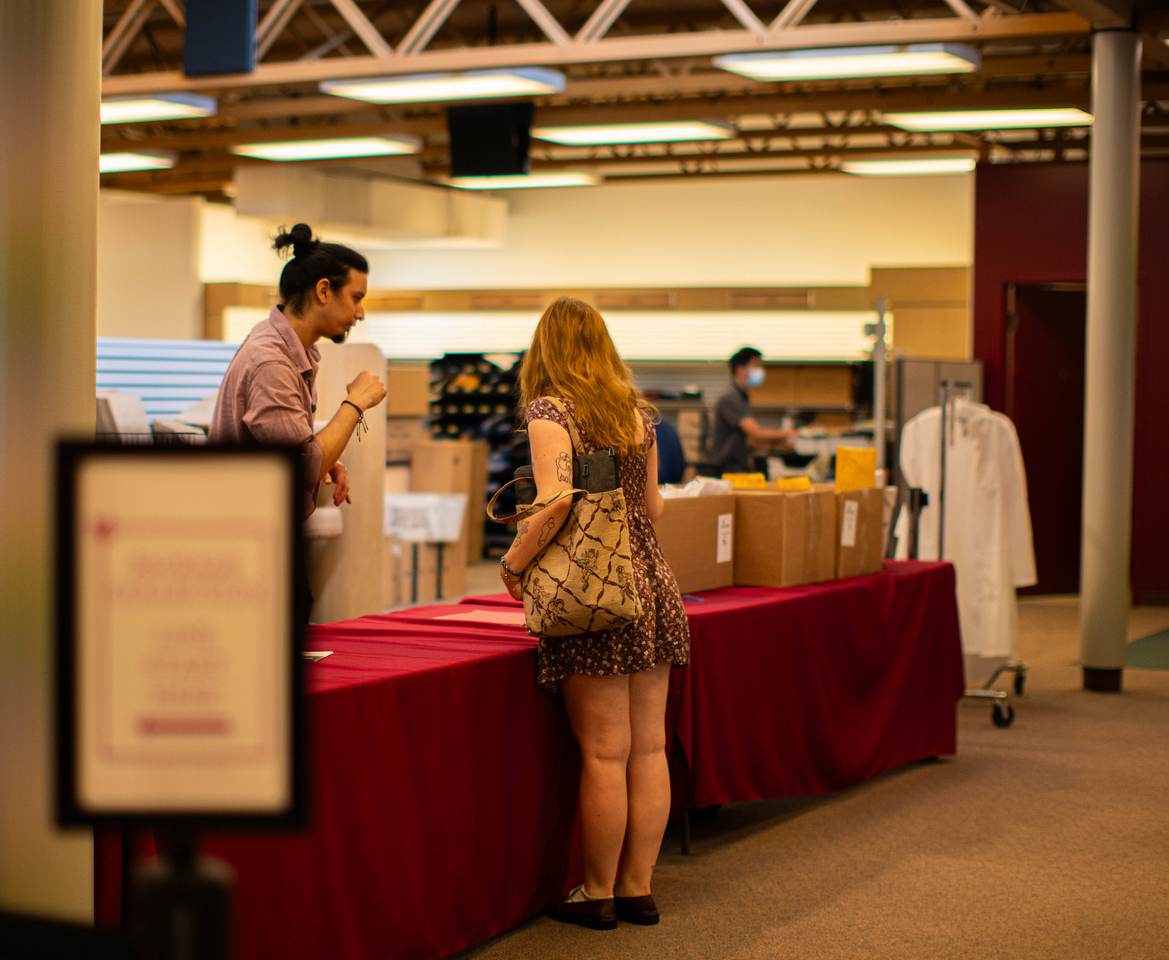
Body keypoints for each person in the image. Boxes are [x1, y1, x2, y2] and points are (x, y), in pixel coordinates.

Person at [498, 296, 690, 931]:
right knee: (650, 747)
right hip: (653, 585)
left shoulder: (552, 411)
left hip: (596, 592)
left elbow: (552, 505)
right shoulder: (637, 412)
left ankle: (597, 891)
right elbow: (655, 507)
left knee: (605, 753)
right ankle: (640, 888)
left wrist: (515, 563)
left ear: (544, 350)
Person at [210, 223, 387, 624]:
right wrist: (354, 404)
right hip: (249, 542)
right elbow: (301, 464)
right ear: (324, 291)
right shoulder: (272, 360)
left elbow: (290, 450)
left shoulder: (289, 351)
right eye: (356, 298)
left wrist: (329, 457)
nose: (360, 312)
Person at [709, 346, 796, 475]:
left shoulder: (742, 397)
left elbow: (748, 439)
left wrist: (774, 444)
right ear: (740, 369)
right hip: (727, 470)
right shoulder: (730, 398)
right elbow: (756, 433)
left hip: (737, 467)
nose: (760, 371)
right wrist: (795, 433)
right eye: (755, 366)